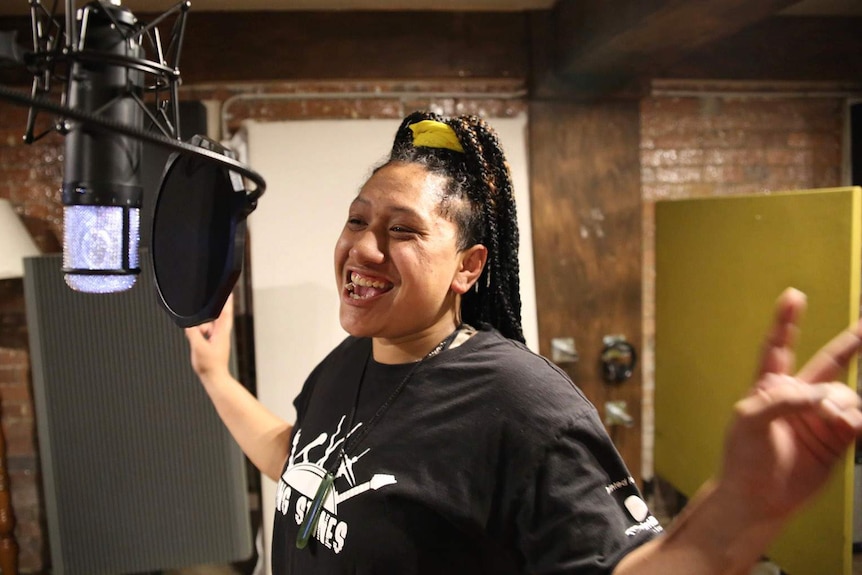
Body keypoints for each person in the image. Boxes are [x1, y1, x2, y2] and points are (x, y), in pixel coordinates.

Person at [185, 111, 862, 574]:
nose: (362, 247)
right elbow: (297, 457)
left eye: (402, 230)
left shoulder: (520, 403)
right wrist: (215, 374)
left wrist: (740, 512)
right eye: (357, 219)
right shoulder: (347, 362)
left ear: (468, 267)